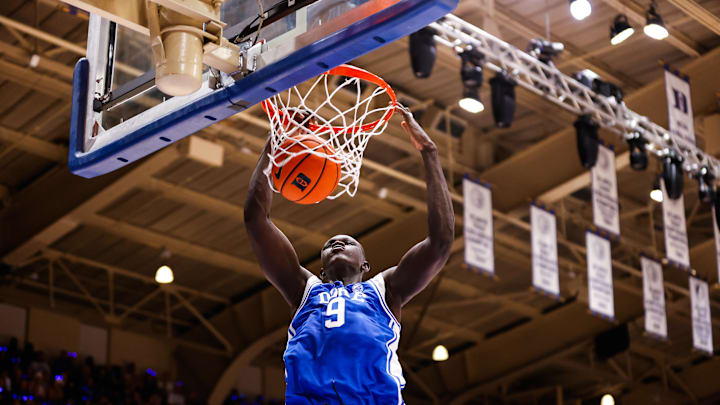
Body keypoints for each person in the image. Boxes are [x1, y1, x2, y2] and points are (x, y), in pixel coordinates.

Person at [244, 107, 454, 404]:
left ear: (366, 265)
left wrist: (430, 153)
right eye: (330, 244)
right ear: (321, 271)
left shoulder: (385, 291)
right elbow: (256, 220)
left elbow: (440, 242)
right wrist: (275, 141)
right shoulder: (303, 290)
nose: (338, 243)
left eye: (348, 242)